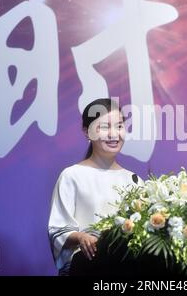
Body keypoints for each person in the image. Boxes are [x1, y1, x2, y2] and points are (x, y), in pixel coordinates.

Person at [48, 98, 141, 276]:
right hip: (87, 268)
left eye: (119, 126)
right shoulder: (72, 175)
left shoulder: (134, 180)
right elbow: (58, 229)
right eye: (105, 127)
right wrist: (82, 237)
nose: (114, 134)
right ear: (87, 132)